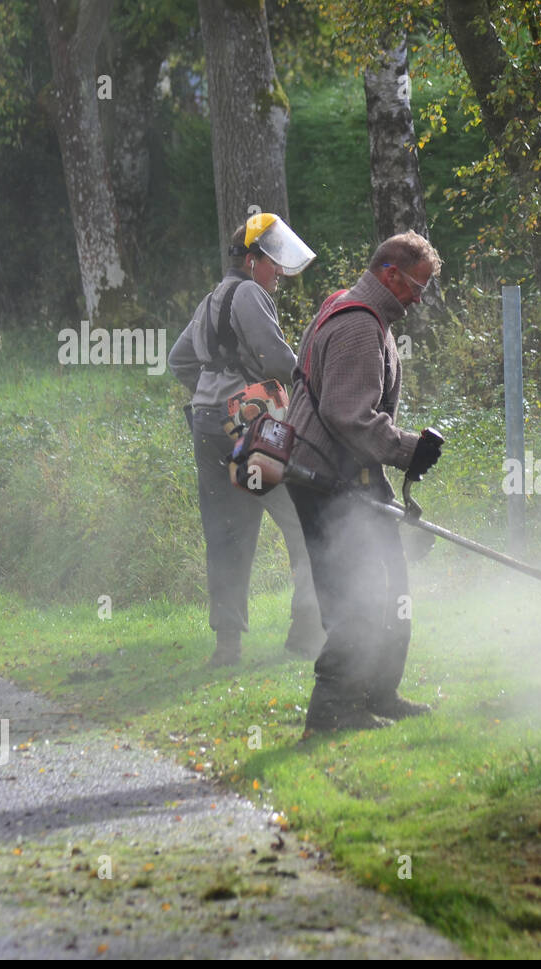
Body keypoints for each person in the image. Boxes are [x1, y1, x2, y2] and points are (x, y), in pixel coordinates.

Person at [285, 231, 444, 733]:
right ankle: (332, 710)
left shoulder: (356, 309)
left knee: (391, 583)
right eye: (416, 286)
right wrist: (407, 448)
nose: (419, 299)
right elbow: (349, 416)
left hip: (344, 476)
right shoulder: (358, 324)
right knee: (360, 592)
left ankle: (379, 693)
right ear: (389, 273)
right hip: (329, 479)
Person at [168, 213, 327, 668]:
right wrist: (308, 389)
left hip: (206, 425)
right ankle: (307, 633)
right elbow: (278, 359)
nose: (279, 272)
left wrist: (214, 389)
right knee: (301, 519)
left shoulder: (212, 298)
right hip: (249, 429)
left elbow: (179, 361)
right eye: (273, 262)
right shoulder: (252, 294)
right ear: (253, 259)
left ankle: (227, 647)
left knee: (225, 534)